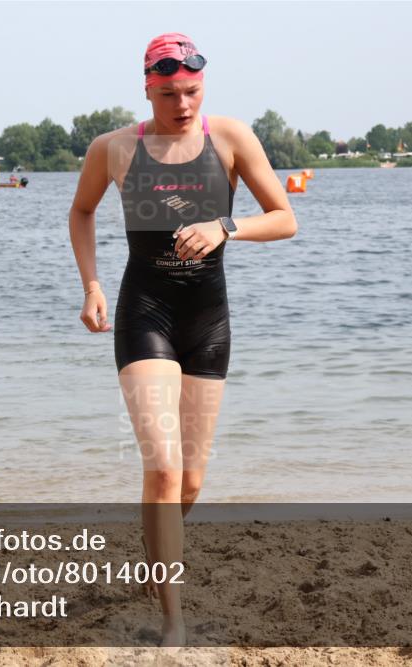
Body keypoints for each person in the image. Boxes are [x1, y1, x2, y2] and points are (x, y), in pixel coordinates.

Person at [68, 32, 296, 647]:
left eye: (192, 91)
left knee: (191, 481)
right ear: (147, 88)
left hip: (207, 320)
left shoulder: (230, 138)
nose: (183, 104)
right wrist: (91, 284)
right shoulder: (113, 149)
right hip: (145, 313)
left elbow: (285, 218)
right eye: (169, 93)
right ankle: (173, 620)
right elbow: (82, 211)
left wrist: (226, 226)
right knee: (164, 469)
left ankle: (153, 551)